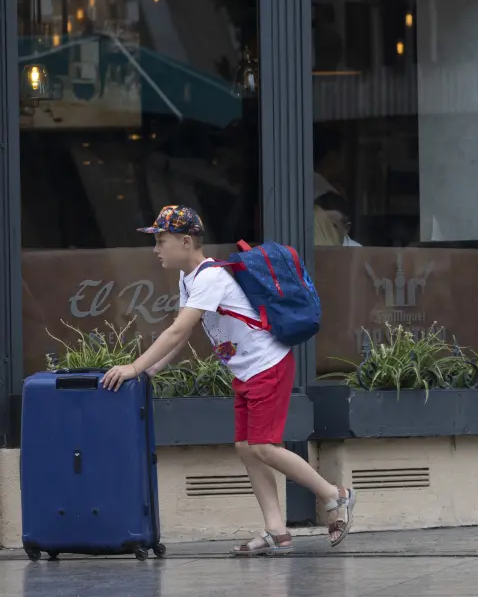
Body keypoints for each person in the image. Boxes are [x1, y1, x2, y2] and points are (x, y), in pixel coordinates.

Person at [102, 205, 357, 555]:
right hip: (246, 371)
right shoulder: (188, 279)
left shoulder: (210, 277)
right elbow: (184, 331)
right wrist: (152, 370)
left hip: (268, 365)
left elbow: (179, 330)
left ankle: (334, 494)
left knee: (264, 447)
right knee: (245, 448)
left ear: (187, 241)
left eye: (162, 241)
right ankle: (276, 530)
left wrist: (134, 367)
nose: (156, 249)